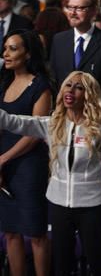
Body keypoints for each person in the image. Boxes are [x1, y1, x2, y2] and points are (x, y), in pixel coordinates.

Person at [0, 70, 101, 275]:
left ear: (89, 94)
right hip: (59, 205)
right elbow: (14, 121)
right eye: (68, 85)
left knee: (97, 260)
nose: (71, 90)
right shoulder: (52, 124)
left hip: (91, 205)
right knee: (62, 263)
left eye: (79, 87)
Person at [0, 30, 52, 276]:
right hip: (2, 164)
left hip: (29, 165)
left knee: (36, 232)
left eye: (12, 49)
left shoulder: (40, 85)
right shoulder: (3, 82)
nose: (5, 54)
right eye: (5, 48)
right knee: (10, 231)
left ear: (28, 53)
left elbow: (35, 132)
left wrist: (3, 159)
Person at [50, 0, 101, 133]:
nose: (72, 12)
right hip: (64, 119)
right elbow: (54, 80)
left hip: (96, 121)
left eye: (79, 8)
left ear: (94, 11)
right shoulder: (59, 40)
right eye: (70, 7)